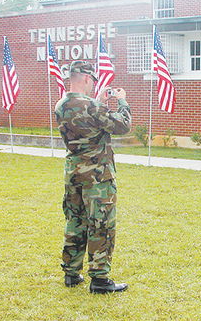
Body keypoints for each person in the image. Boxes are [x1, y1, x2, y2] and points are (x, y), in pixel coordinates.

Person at [55, 61, 132, 294]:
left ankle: (71, 272)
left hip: (73, 175)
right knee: (101, 225)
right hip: (97, 178)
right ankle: (99, 279)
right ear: (87, 79)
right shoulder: (92, 106)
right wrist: (122, 101)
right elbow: (123, 125)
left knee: (75, 221)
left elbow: (85, 118)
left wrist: (97, 100)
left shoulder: (61, 104)